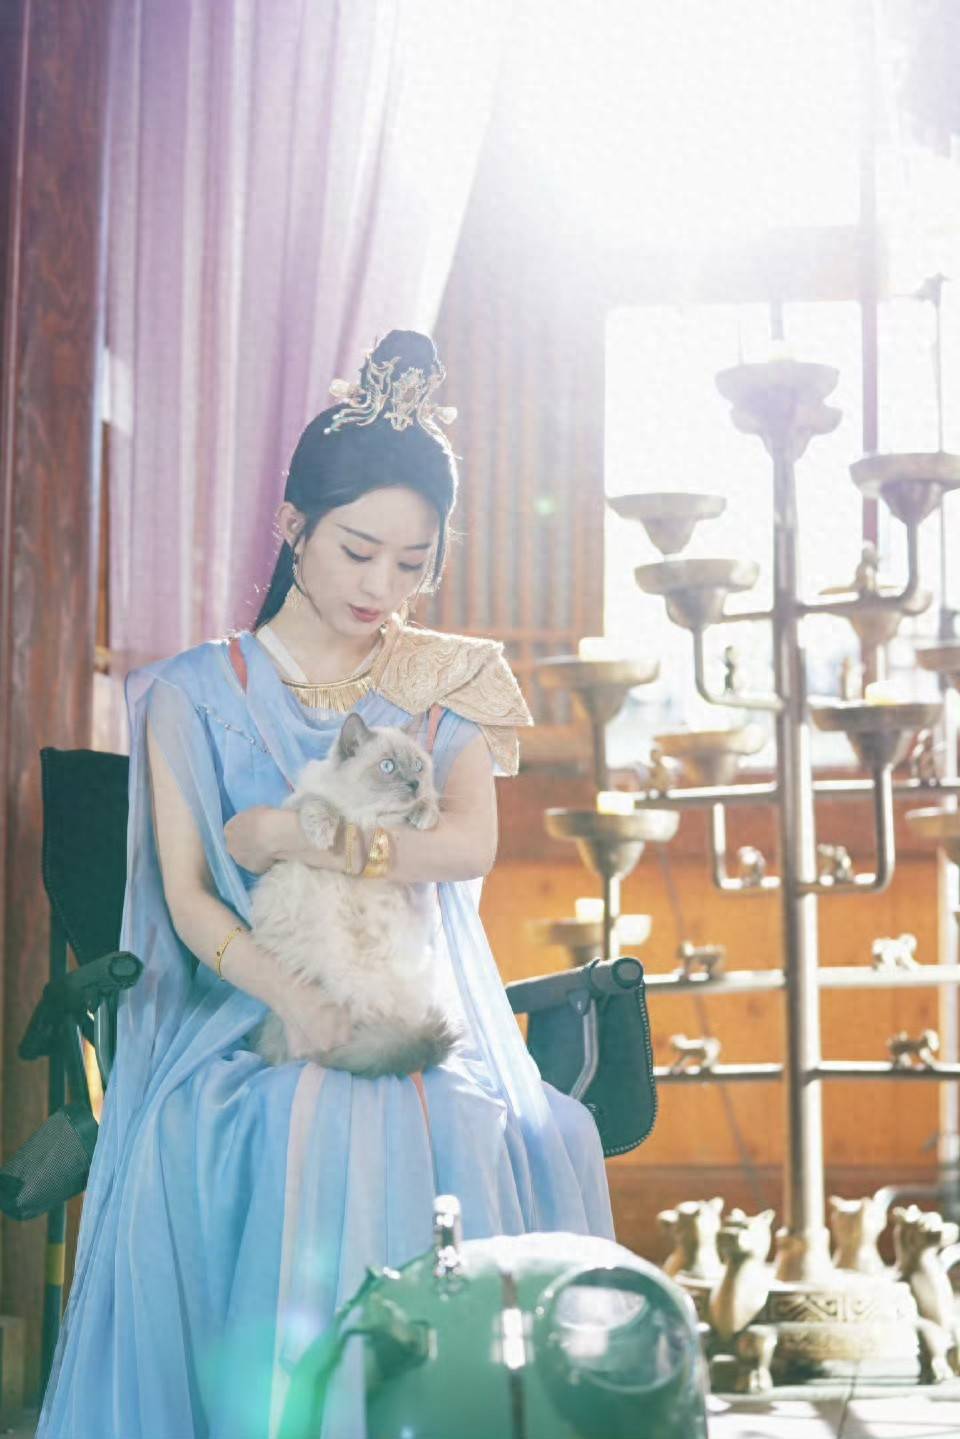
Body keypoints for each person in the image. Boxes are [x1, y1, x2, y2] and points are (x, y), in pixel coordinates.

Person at [36, 330, 614, 1439]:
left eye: (412, 563)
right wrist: (293, 996)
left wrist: (311, 838)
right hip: (243, 1010)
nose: (381, 587)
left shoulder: (441, 680)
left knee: (462, 1109)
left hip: (405, 996)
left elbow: (468, 846)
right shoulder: (189, 693)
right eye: (358, 551)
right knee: (301, 1108)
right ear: (293, 526)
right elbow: (189, 894)